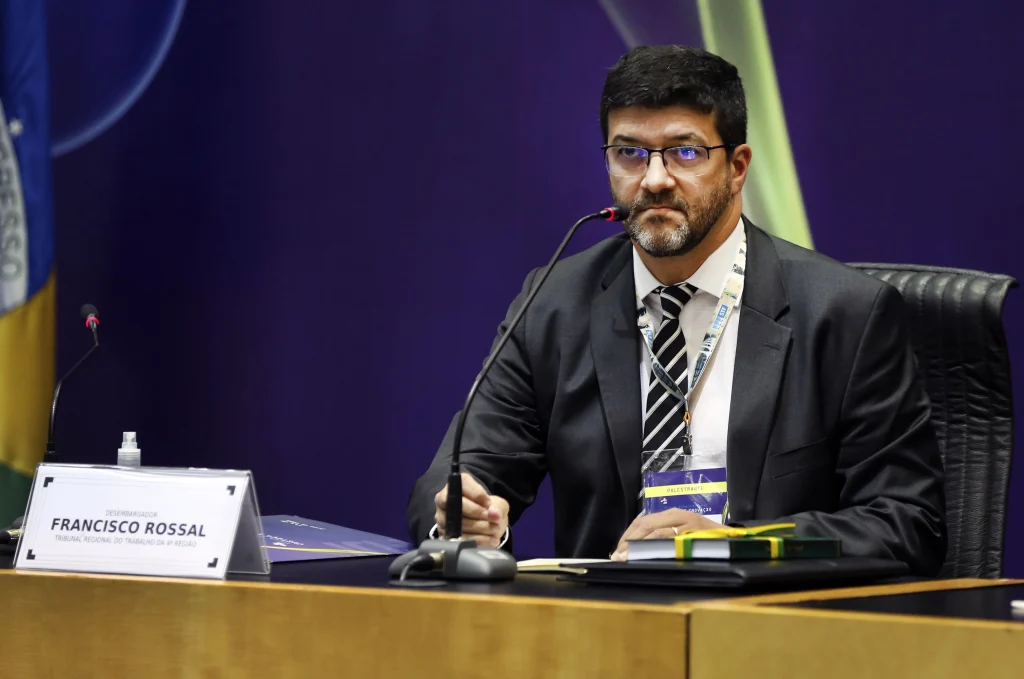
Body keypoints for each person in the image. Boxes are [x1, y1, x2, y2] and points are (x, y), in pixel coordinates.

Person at [406, 45, 946, 574]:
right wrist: (463, 516)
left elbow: (906, 521)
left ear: (737, 167)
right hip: (604, 636)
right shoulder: (554, 302)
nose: (655, 178)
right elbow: (459, 473)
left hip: (773, 636)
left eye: (685, 152)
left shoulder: (845, 314)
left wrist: (733, 545)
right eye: (629, 153)